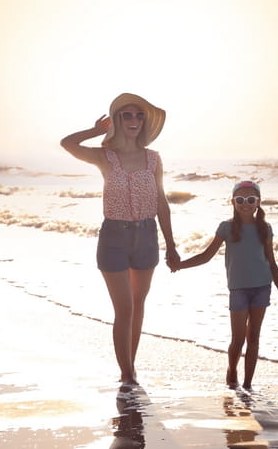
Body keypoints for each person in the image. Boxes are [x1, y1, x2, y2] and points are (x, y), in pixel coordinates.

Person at [60, 93, 179, 386]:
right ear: (117, 120)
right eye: (127, 115)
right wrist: (95, 131)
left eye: (139, 116)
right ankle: (127, 376)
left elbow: (161, 202)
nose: (134, 121)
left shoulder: (153, 159)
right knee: (124, 308)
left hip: (147, 235)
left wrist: (172, 246)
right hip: (114, 236)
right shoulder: (104, 156)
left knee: (138, 305)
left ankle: (130, 367)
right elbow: (67, 144)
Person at [170, 180, 278, 390]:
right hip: (238, 289)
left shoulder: (265, 228)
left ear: (258, 202)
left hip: (262, 287)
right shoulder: (226, 227)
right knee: (238, 338)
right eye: (240, 200)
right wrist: (180, 265)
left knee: (254, 337)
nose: (246, 204)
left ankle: (249, 384)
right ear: (233, 202)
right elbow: (206, 256)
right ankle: (232, 370)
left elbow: (272, 262)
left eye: (251, 199)